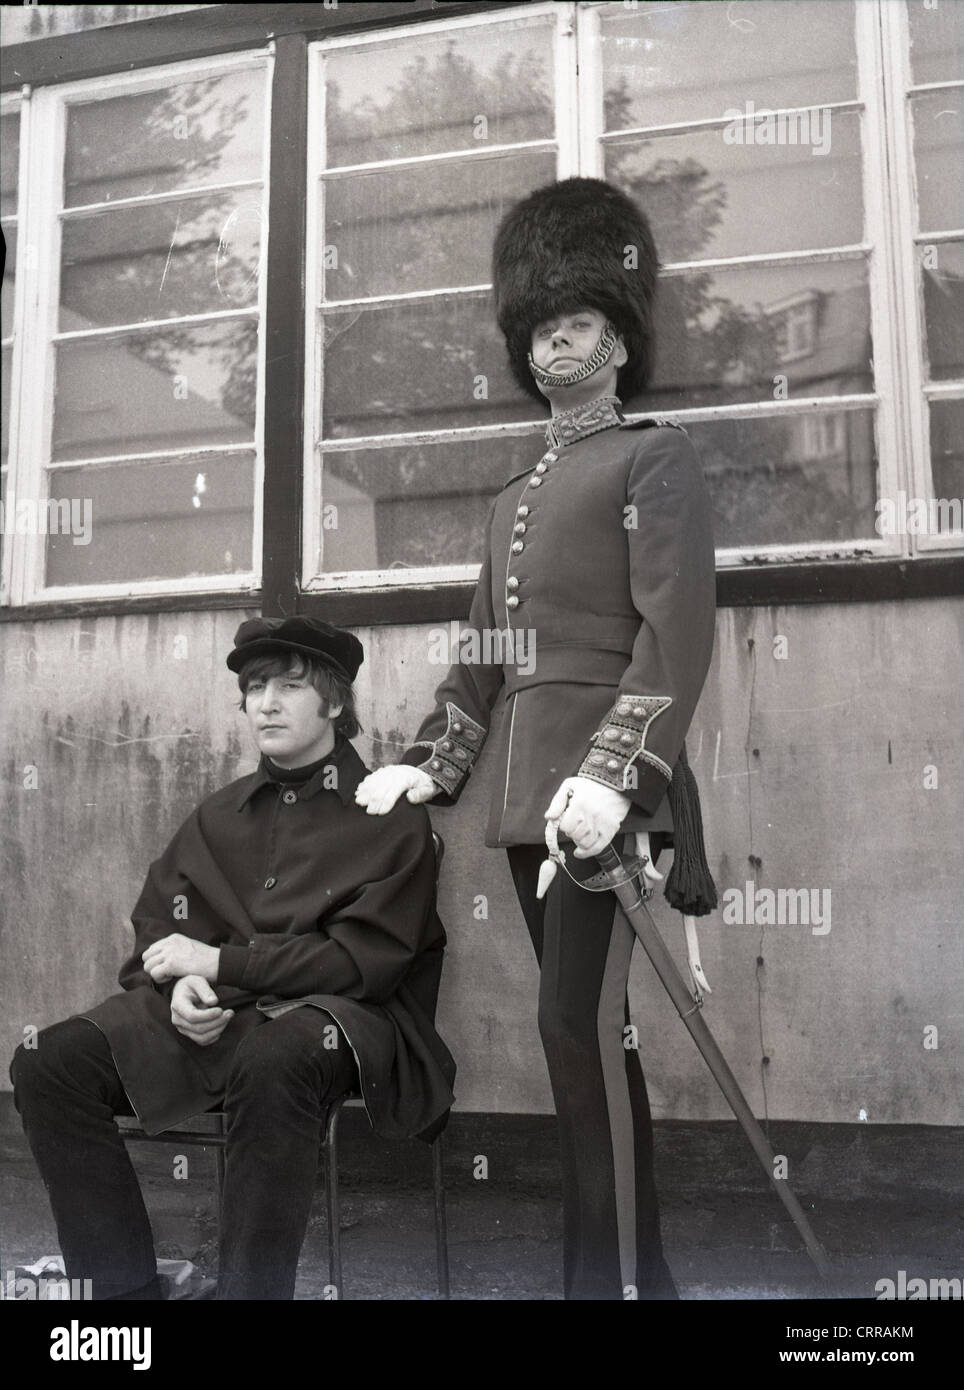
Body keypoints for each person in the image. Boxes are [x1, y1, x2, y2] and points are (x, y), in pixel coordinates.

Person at [356, 177, 717, 1301]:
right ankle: (630, 1278)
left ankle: (602, 1286)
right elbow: (485, 645)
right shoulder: (513, 487)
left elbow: (676, 630)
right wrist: (432, 755)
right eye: (544, 330)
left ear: (618, 339)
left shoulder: (653, 458)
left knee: (576, 1025)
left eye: (579, 326)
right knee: (588, 1035)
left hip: (602, 793)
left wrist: (617, 778)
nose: (557, 346)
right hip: (525, 796)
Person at [11, 616, 455, 1301]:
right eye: (253, 688)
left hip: (344, 1022)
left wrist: (223, 967)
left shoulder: (389, 814)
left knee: (275, 1056)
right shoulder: (220, 815)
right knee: (48, 1062)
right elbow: (160, 926)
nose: (265, 702)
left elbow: (363, 964)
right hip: (222, 1022)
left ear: (335, 703)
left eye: (288, 686)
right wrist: (184, 982)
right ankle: (124, 1300)